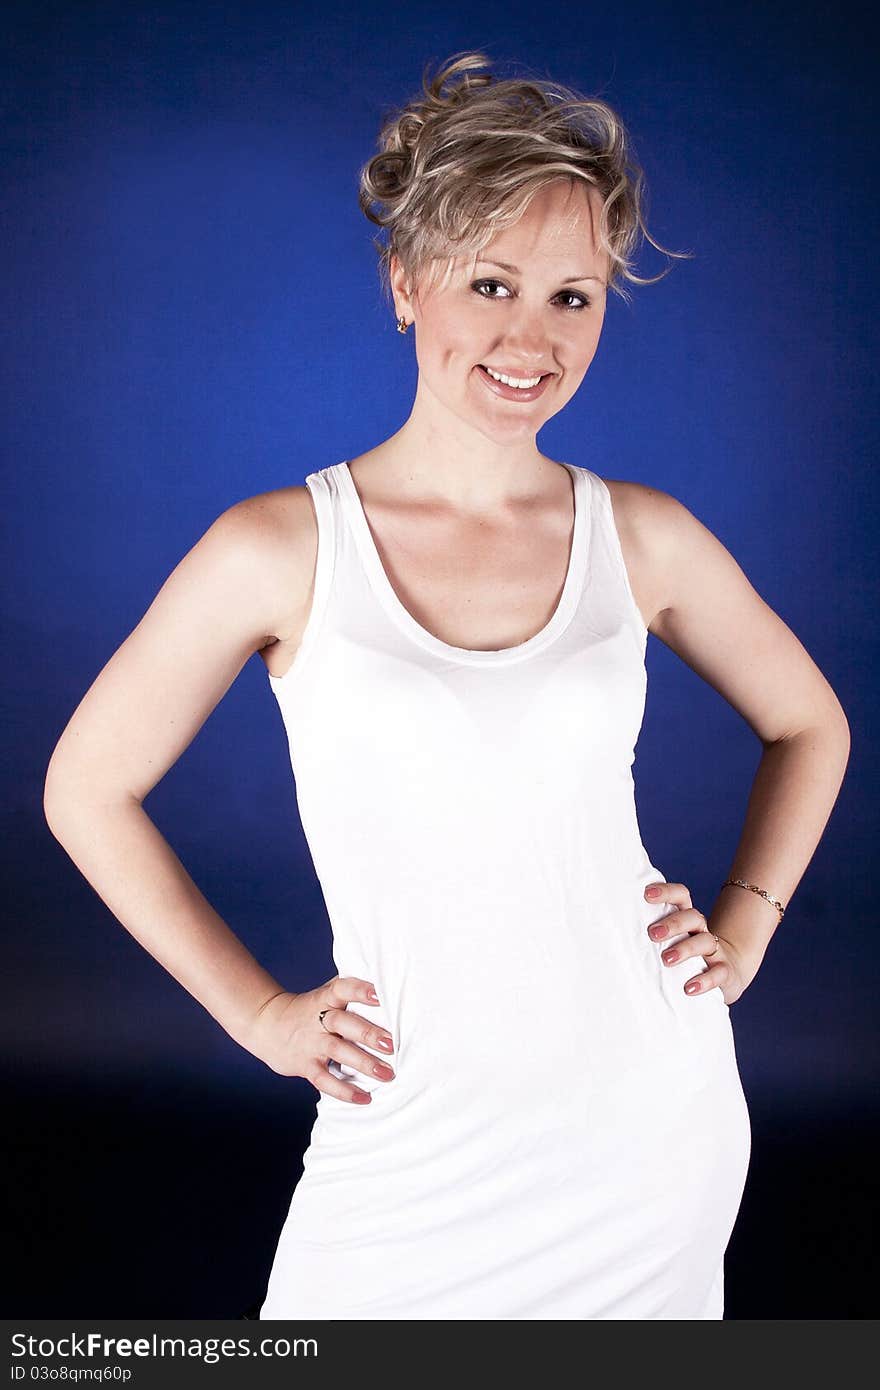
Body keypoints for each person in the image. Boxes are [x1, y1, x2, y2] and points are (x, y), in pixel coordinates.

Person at [43, 50, 850, 1321]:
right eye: (490, 284)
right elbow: (85, 788)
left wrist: (743, 925)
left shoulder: (644, 536)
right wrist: (260, 1015)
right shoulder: (276, 547)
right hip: (408, 1135)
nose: (532, 338)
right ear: (405, 284)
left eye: (573, 296)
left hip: (647, 1132)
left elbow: (810, 720)